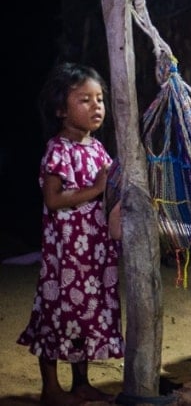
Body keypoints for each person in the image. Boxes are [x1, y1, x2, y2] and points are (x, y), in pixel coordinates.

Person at [17, 62, 124, 405]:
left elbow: (109, 189)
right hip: (66, 257)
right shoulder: (58, 150)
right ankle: (51, 389)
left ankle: (81, 383)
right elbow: (53, 199)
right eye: (85, 100)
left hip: (94, 253)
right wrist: (97, 189)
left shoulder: (97, 149)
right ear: (62, 109)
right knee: (57, 313)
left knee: (87, 314)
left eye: (100, 99)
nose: (96, 107)